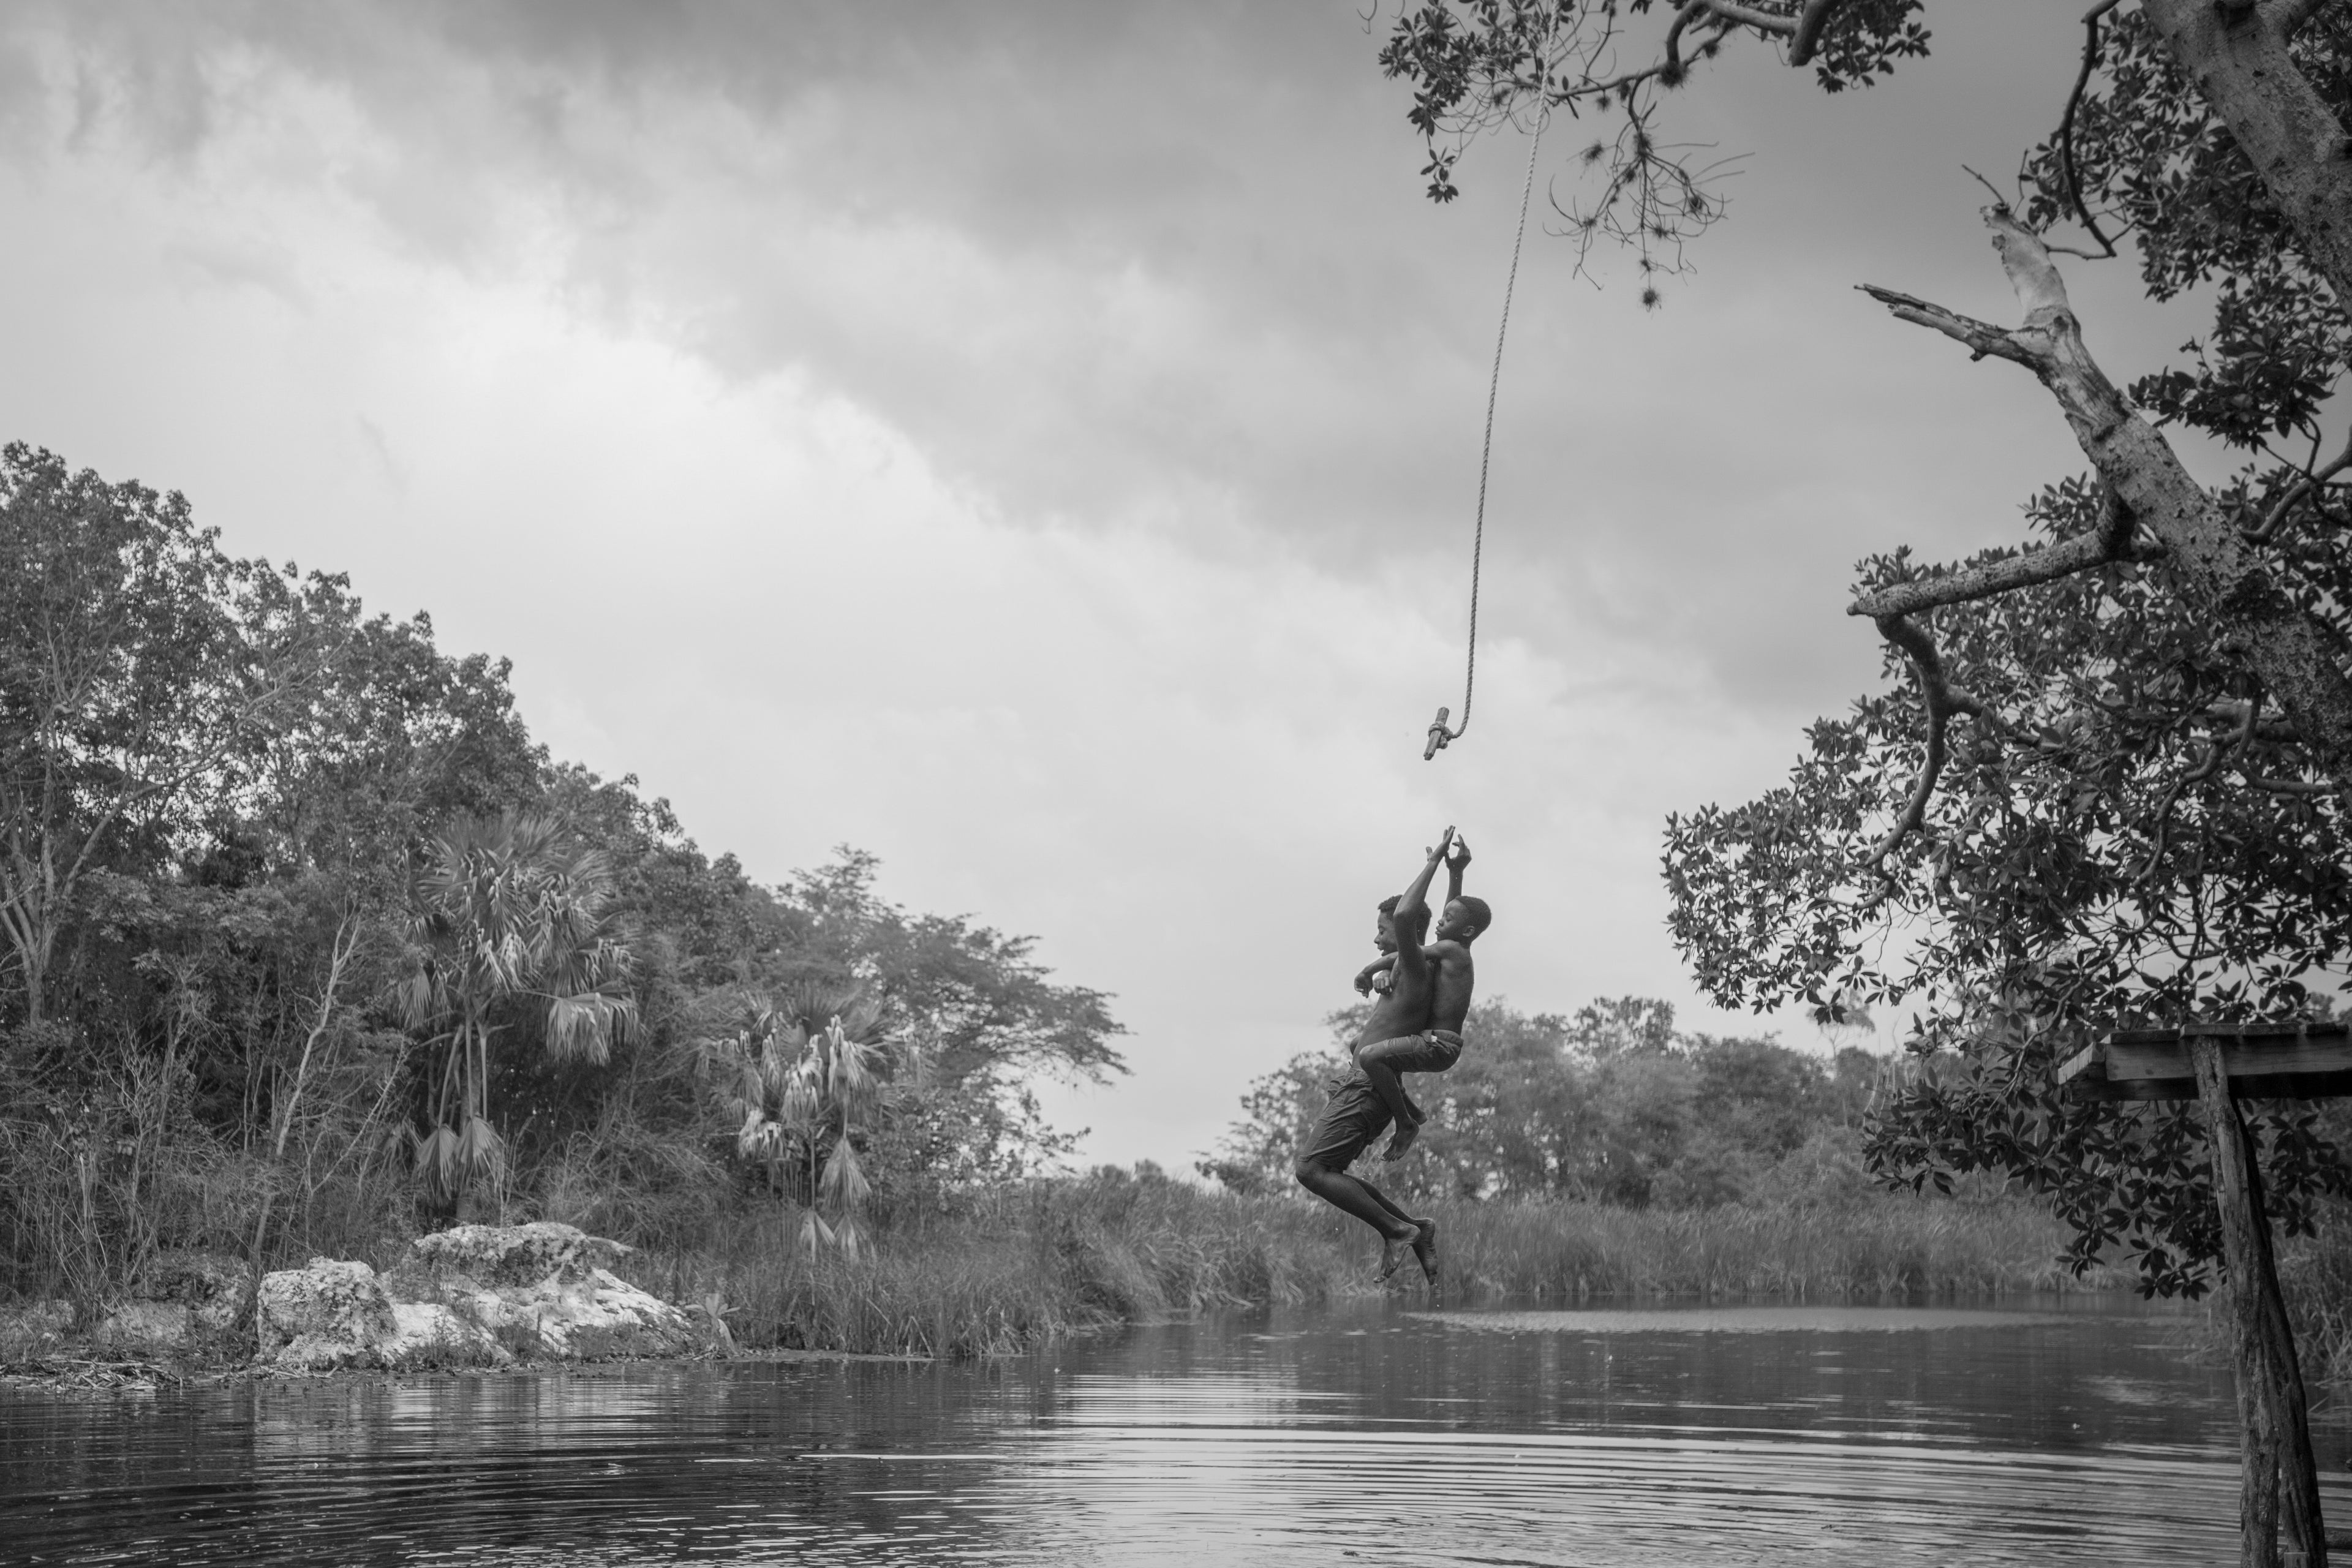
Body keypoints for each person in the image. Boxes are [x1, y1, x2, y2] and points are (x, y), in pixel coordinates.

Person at [1292, 830, 1460, 1284]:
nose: (1376, 938)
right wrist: (1456, 875)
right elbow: (1433, 923)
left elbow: (1410, 915)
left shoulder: (1415, 963)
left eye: (1382, 931)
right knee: (1328, 1170)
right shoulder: (1411, 967)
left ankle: (1400, 1229)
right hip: (1368, 1089)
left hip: (1366, 1089)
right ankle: (1415, 1229)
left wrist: (1435, 862)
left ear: (1407, 936)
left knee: (1310, 1170)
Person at [1351, 834, 1488, 1159]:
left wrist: (1368, 970)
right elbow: (1452, 917)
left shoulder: (1451, 950)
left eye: (1448, 920)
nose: (1440, 921)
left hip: (1438, 1045)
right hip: (1433, 1041)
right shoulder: (1453, 946)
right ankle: (1412, 1110)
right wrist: (1456, 874)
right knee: (1357, 1046)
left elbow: (1408, 949)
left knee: (1370, 1056)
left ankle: (1406, 1122)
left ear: (1464, 931)